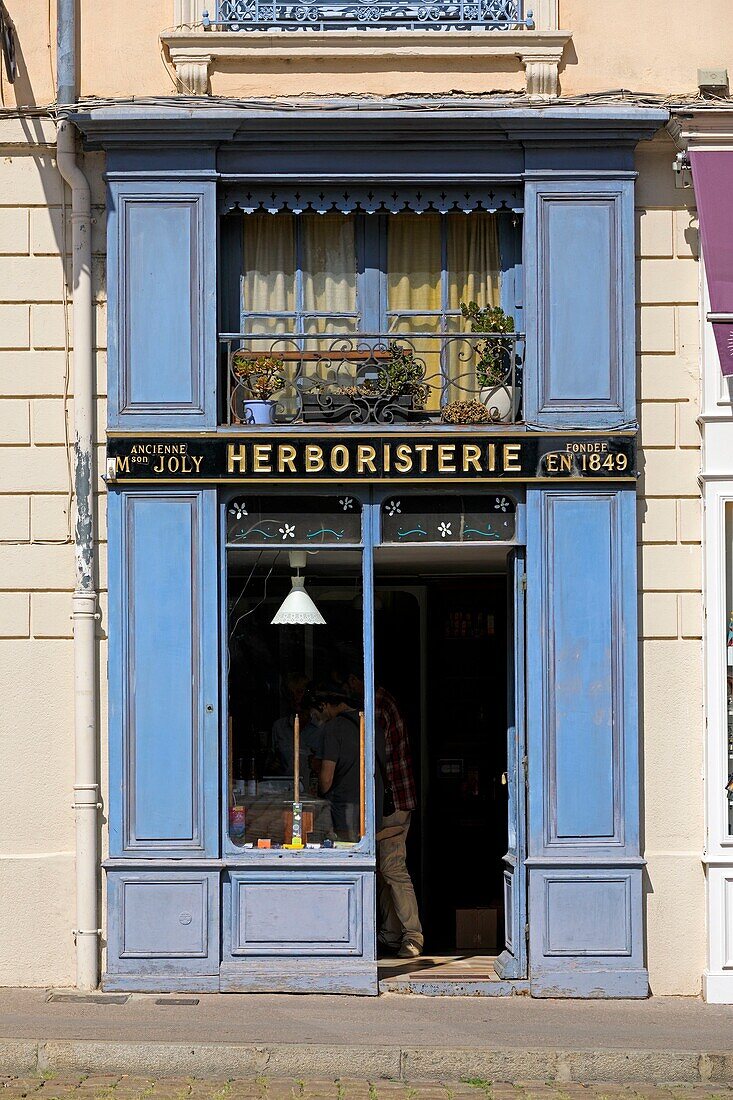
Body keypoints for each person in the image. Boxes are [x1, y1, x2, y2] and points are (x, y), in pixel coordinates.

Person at [343, 668, 423, 960]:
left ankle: (413, 936)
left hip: (391, 801)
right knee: (385, 870)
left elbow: (369, 751)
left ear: (356, 679)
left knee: (392, 868)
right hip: (393, 798)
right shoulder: (380, 700)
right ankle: (391, 934)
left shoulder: (375, 703)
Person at [313, 687, 363, 842]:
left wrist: (317, 771)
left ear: (324, 705)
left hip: (343, 809)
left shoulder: (334, 727)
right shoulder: (369, 722)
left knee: (346, 850)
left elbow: (326, 781)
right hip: (368, 808)